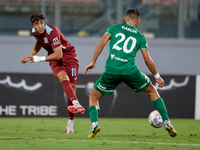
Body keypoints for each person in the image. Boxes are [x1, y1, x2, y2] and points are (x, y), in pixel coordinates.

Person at [84, 9, 177, 138]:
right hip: (130, 71)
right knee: (152, 91)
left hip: (112, 70)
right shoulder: (140, 36)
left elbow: (101, 43)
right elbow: (147, 59)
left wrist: (93, 61)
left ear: (125, 18)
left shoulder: (114, 28)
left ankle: (94, 124)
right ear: (139, 21)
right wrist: (157, 76)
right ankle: (167, 122)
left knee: (93, 96)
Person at [20, 12, 85, 134]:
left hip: (68, 56)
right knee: (62, 77)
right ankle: (76, 103)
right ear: (32, 25)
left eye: (42, 23)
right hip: (54, 58)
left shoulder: (52, 32)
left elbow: (59, 54)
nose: (40, 26)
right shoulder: (35, 32)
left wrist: (38, 59)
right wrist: (31, 56)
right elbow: (39, 42)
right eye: (37, 24)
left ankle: (70, 123)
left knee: (71, 87)